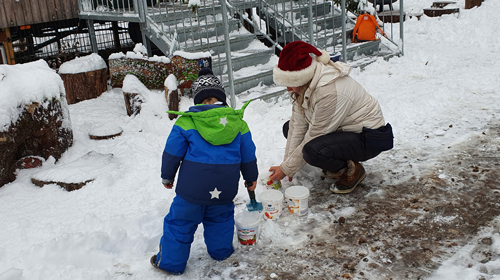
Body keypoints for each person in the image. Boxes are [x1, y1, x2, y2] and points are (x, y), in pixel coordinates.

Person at [150, 68, 259, 274]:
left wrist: (167, 176)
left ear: (197, 101)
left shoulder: (187, 121)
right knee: (220, 219)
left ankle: (171, 263)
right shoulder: (238, 123)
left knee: (180, 223)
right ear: (221, 98)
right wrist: (251, 177)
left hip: (191, 191)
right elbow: (248, 155)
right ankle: (221, 252)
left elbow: (172, 153)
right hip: (224, 189)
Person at [268, 41, 393, 194]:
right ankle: (338, 161)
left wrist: (286, 168)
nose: (287, 89)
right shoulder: (304, 85)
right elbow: (297, 125)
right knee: (288, 127)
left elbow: (316, 134)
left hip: (368, 137)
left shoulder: (329, 91)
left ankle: (351, 170)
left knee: (312, 150)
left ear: (302, 77)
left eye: (290, 82)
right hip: (344, 130)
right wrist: (286, 166)